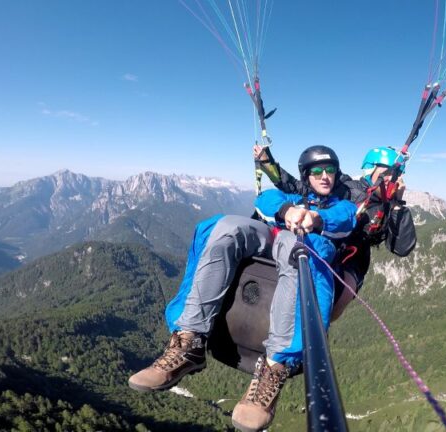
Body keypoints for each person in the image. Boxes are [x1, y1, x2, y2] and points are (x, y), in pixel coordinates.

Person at [128, 145, 356, 432]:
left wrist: (316, 219)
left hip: (299, 243)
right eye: (318, 171)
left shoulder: (340, 204)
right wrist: (288, 210)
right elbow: (266, 198)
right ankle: (190, 340)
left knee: (295, 246)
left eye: (330, 171)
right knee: (224, 227)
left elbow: (347, 218)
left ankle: (275, 366)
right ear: (306, 175)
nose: (325, 176)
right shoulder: (293, 195)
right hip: (271, 234)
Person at [254, 144, 416, 320]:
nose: (392, 180)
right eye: (387, 174)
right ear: (371, 171)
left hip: (355, 255)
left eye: (397, 175)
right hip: (329, 239)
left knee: (343, 295)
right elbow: (294, 185)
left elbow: (401, 248)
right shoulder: (345, 187)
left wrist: (397, 205)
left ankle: (320, 328)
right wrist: (267, 161)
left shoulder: (390, 207)